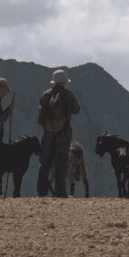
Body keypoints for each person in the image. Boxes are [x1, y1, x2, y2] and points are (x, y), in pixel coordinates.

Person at [36, 69, 80, 197]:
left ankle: (42, 192)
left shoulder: (46, 94)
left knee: (45, 163)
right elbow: (76, 110)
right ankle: (60, 193)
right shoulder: (68, 95)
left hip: (48, 133)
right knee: (62, 162)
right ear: (64, 82)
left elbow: (41, 112)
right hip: (63, 133)